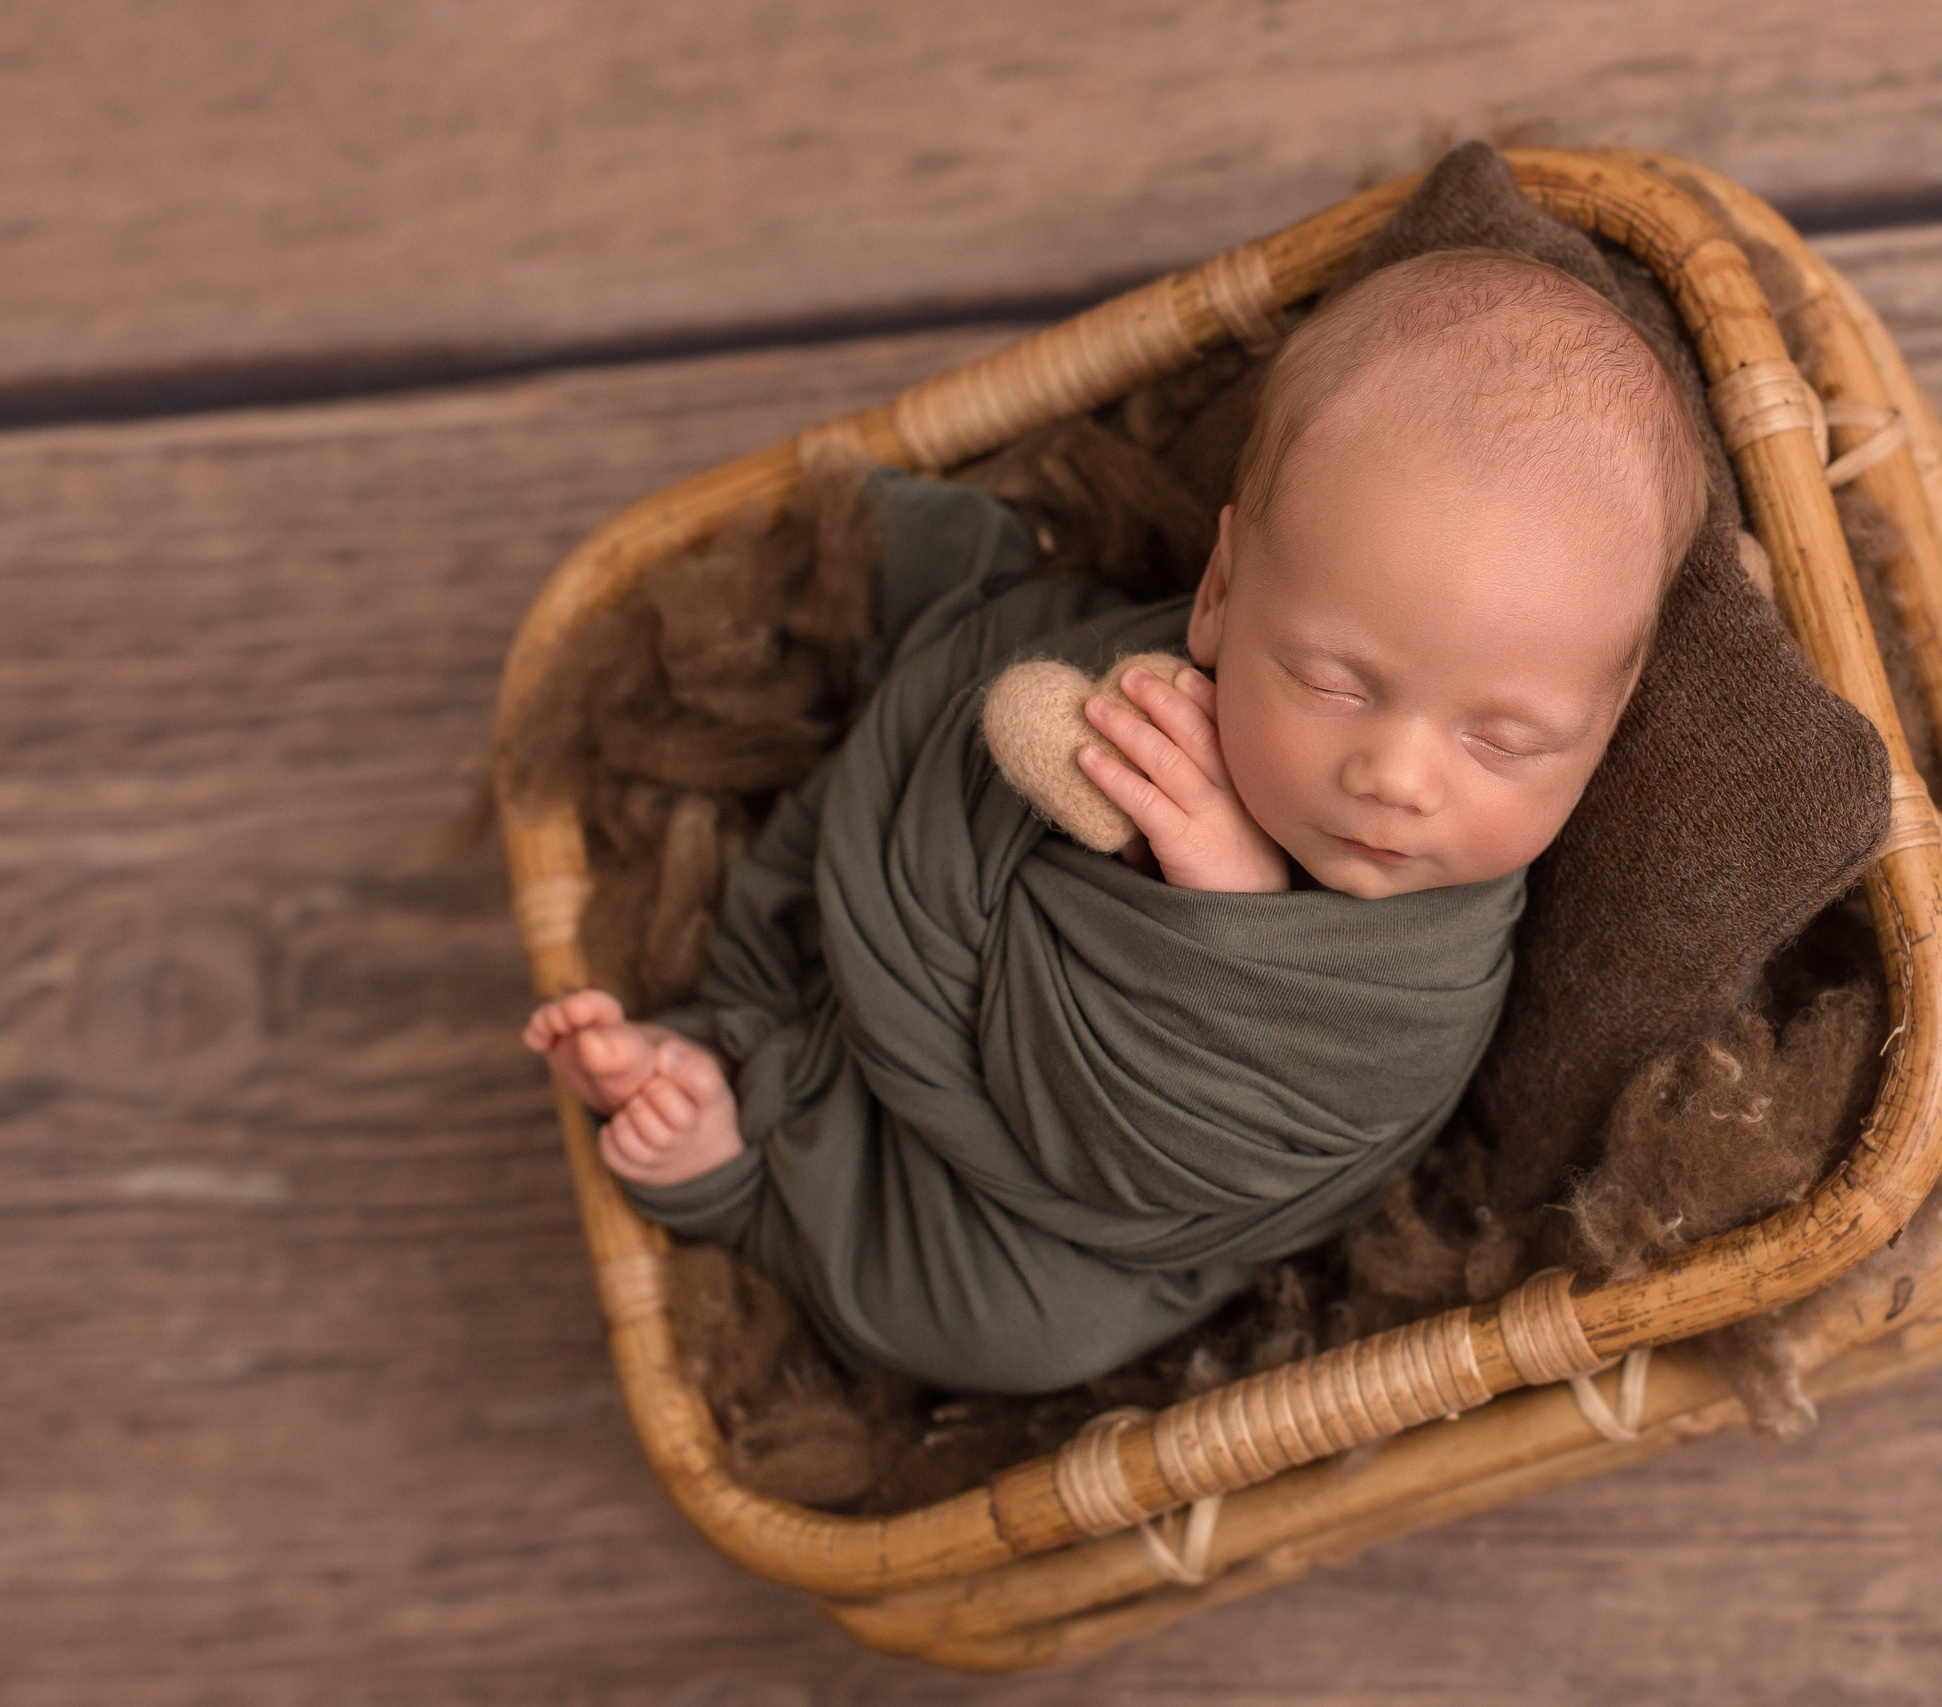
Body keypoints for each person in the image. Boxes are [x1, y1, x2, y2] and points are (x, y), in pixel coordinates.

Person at [523, 247, 1709, 1392]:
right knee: (915, 733)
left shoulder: (1432, 962)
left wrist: (1228, 918)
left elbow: (1191, 1162)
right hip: (899, 942)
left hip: (1070, 1211)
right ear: (1220, 594)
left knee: (1008, 1331)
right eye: (1334, 680)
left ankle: (741, 1179)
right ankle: (731, 1037)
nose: (1397, 777)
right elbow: (973, 719)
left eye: (1504, 741)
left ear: (1607, 729)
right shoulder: (1137, 677)